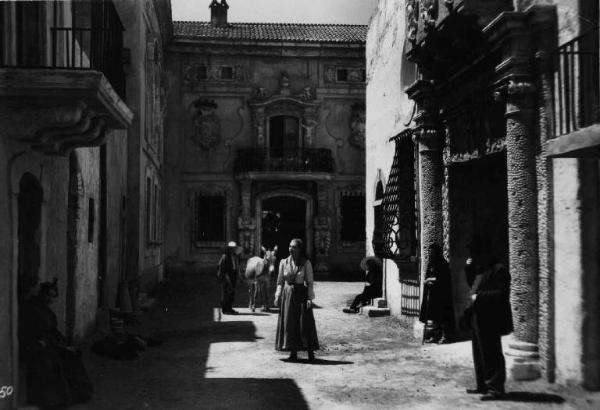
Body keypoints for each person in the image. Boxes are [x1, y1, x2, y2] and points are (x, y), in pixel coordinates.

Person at [19, 278, 93, 408]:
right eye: (49, 296)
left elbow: (53, 331)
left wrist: (65, 343)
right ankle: (53, 399)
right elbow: (32, 332)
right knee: (52, 361)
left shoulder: (46, 310)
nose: (51, 300)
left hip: (49, 343)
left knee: (72, 357)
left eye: (53, 297)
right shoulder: (33, 309)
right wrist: (51, 344)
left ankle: (74, 393)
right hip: (37, 346)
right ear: (43, 294)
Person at [462, 238, 513, 401]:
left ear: (486, 254)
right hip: (479, 316)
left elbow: (501, 295)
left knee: (491, 353)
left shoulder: (499, 270)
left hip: (491, 317)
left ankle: (496, 388)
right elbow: (473, 284)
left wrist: (480, 297)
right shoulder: (481, 270)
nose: (474, 257)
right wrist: (468, 268)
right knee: (480, 353)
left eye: (476, 254)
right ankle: (483, 385)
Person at [274, 238, 319, 362]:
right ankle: (293, 353)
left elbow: (310, 282)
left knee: (305, 323)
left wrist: (310, 298)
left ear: (300, 249)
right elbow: (279, 282)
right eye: (290, 246)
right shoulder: (283, 262)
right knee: (290, 323)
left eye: (294, 247)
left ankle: (310, 353)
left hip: (301, 295)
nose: (291, 249)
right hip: (287, 295)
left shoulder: (306, 263)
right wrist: (277, 295)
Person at [418, 243, 454, 343]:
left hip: (441, 295)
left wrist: (430, 279)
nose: (431, 254)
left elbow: (443, 279)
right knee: (433, 317)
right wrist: (427, 281)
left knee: (441, 316)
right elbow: (429, 276)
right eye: (429, 252)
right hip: (432, 295)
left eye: (432, 252)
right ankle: (435, 336)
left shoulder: (443, 264)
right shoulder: (431, 264)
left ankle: (444, 336)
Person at [217, 241, 242, 315]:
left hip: (233, 275)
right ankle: (225, 309)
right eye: (231, 248)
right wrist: (227, 279)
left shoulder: (235, 256)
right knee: (225, 293)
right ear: (229, 249)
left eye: (234, 248)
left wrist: (239, 276)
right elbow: (222, 269)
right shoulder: (225, 257)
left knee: (232, 292)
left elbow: (237, 266)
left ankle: (229, 308)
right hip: (226, 276)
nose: (233, 250)